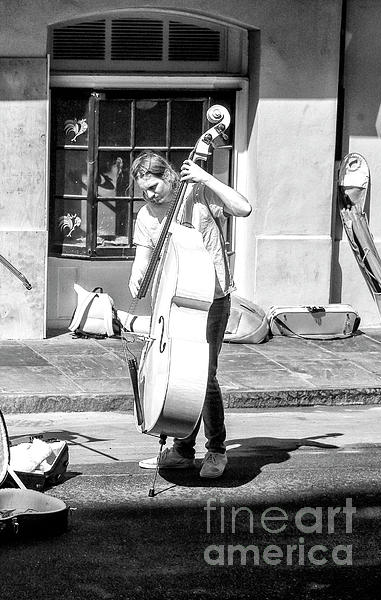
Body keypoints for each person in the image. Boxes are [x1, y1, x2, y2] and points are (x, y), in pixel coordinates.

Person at [129, 151, 252, 479]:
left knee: (204, 375)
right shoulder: (146, 215)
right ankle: (183, 449)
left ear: (169, 176)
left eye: (154, 186)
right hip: (173, 301)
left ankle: (216, 449)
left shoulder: (200, 194)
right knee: (176, 373)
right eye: (144, 190)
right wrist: (136, 280)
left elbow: (244, 208)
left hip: (212, 298)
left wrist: (205, 177)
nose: (150, 195)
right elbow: (143, 257)